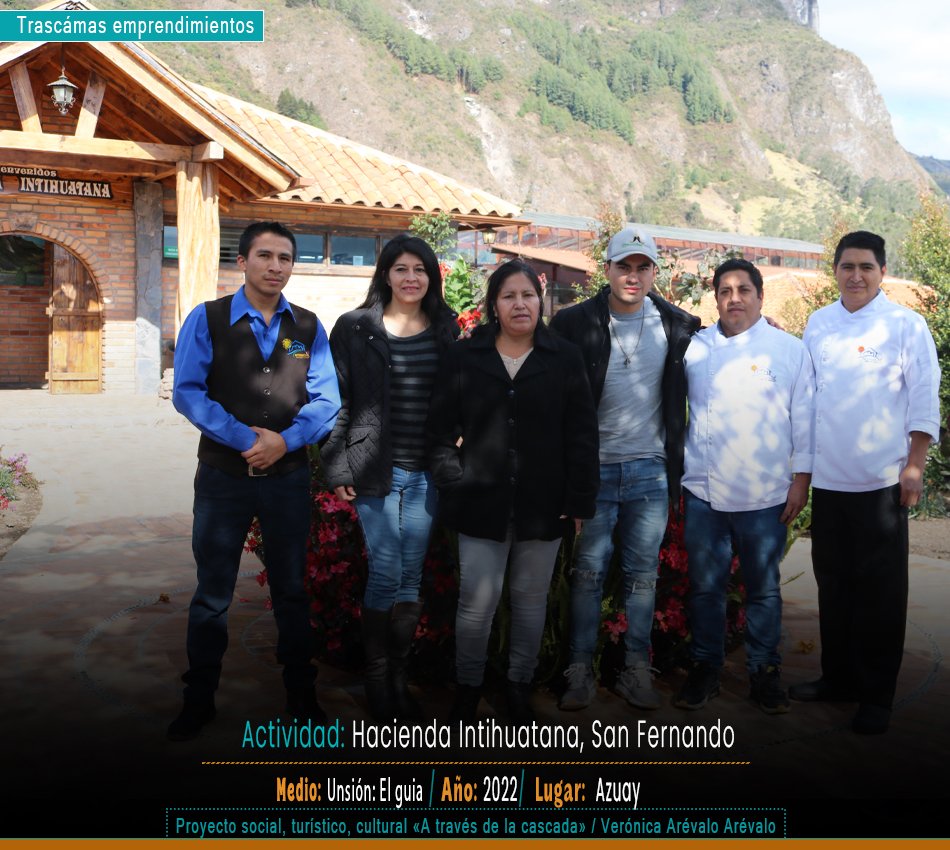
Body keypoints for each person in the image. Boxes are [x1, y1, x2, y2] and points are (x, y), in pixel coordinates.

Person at [168, 221, 341, 741]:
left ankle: (301, 695)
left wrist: (286, 442)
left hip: (287, 478)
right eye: (264, 255)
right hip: (224, 478)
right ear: (242, 261)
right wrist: (247, 438)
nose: (275, 266)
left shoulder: (307, 326)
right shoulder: (208, 319)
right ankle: (199, 698)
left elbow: (327, 399)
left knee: (291, 588)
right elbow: (188, 391)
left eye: (285, 258)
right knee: (212, 592)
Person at [427, 259, 599, 724]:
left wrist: (579, 499)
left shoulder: (564, 357)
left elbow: (582, 435)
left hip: (544, 504)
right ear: (494, 305)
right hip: (479, 500)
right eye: (508, 296)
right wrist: (452, 478)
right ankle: (468, 688)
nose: (519, 304)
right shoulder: (466, 356)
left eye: (527, 295)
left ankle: (519, 688)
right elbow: (439, 429)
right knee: (475, 603)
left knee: (529, 600)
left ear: (539, 302)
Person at [790, 231, 941, 734]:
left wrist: (914, 464)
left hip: (881, 483)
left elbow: (924, 395)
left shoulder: (905, 324)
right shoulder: (819, 323)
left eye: (866, 267)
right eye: (847, 266)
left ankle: (876, 695)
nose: (856, 276)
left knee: (880, 594)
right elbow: (807, 398)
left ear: (882, 272)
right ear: (835, 270)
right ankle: (838, 678)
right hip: (830, 481)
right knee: (834, 586)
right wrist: (804, 473)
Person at [549, 226, 700, 711]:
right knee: (588, 574)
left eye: (642, 267)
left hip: (649, 472)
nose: (633, 276)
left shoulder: (678, 325)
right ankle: (579, 670)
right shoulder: (573, 323)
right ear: (607, 269)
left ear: (655, 272)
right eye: (624, 266)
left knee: (642, 577)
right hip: (593, 472)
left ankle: (636, 668)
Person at [322, 234, 458, 720]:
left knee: (411, 574)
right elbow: (337, 400)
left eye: (419, 269)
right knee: (386, 569)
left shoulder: (445, 329)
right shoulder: (355, 327)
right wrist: (336, 464)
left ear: (431, 277)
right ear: (385, 274)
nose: (410, 277)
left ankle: (399, 677)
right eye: (401, 268)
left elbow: (456, 397)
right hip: (374, 468)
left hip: (426, 472)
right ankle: (377, 679)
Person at [673, 259, 814, 714]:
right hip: (704, 492)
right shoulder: (695, 349)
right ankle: (706, 668)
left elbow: (805, 421)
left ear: (760, 296)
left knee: (763, 591)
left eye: (743, 290)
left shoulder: (788, 349)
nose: (734, 298)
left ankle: (764, 672)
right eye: (725, 291)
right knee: (705, 589)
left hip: (766, 495)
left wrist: (801, 481)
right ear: (715, 298)